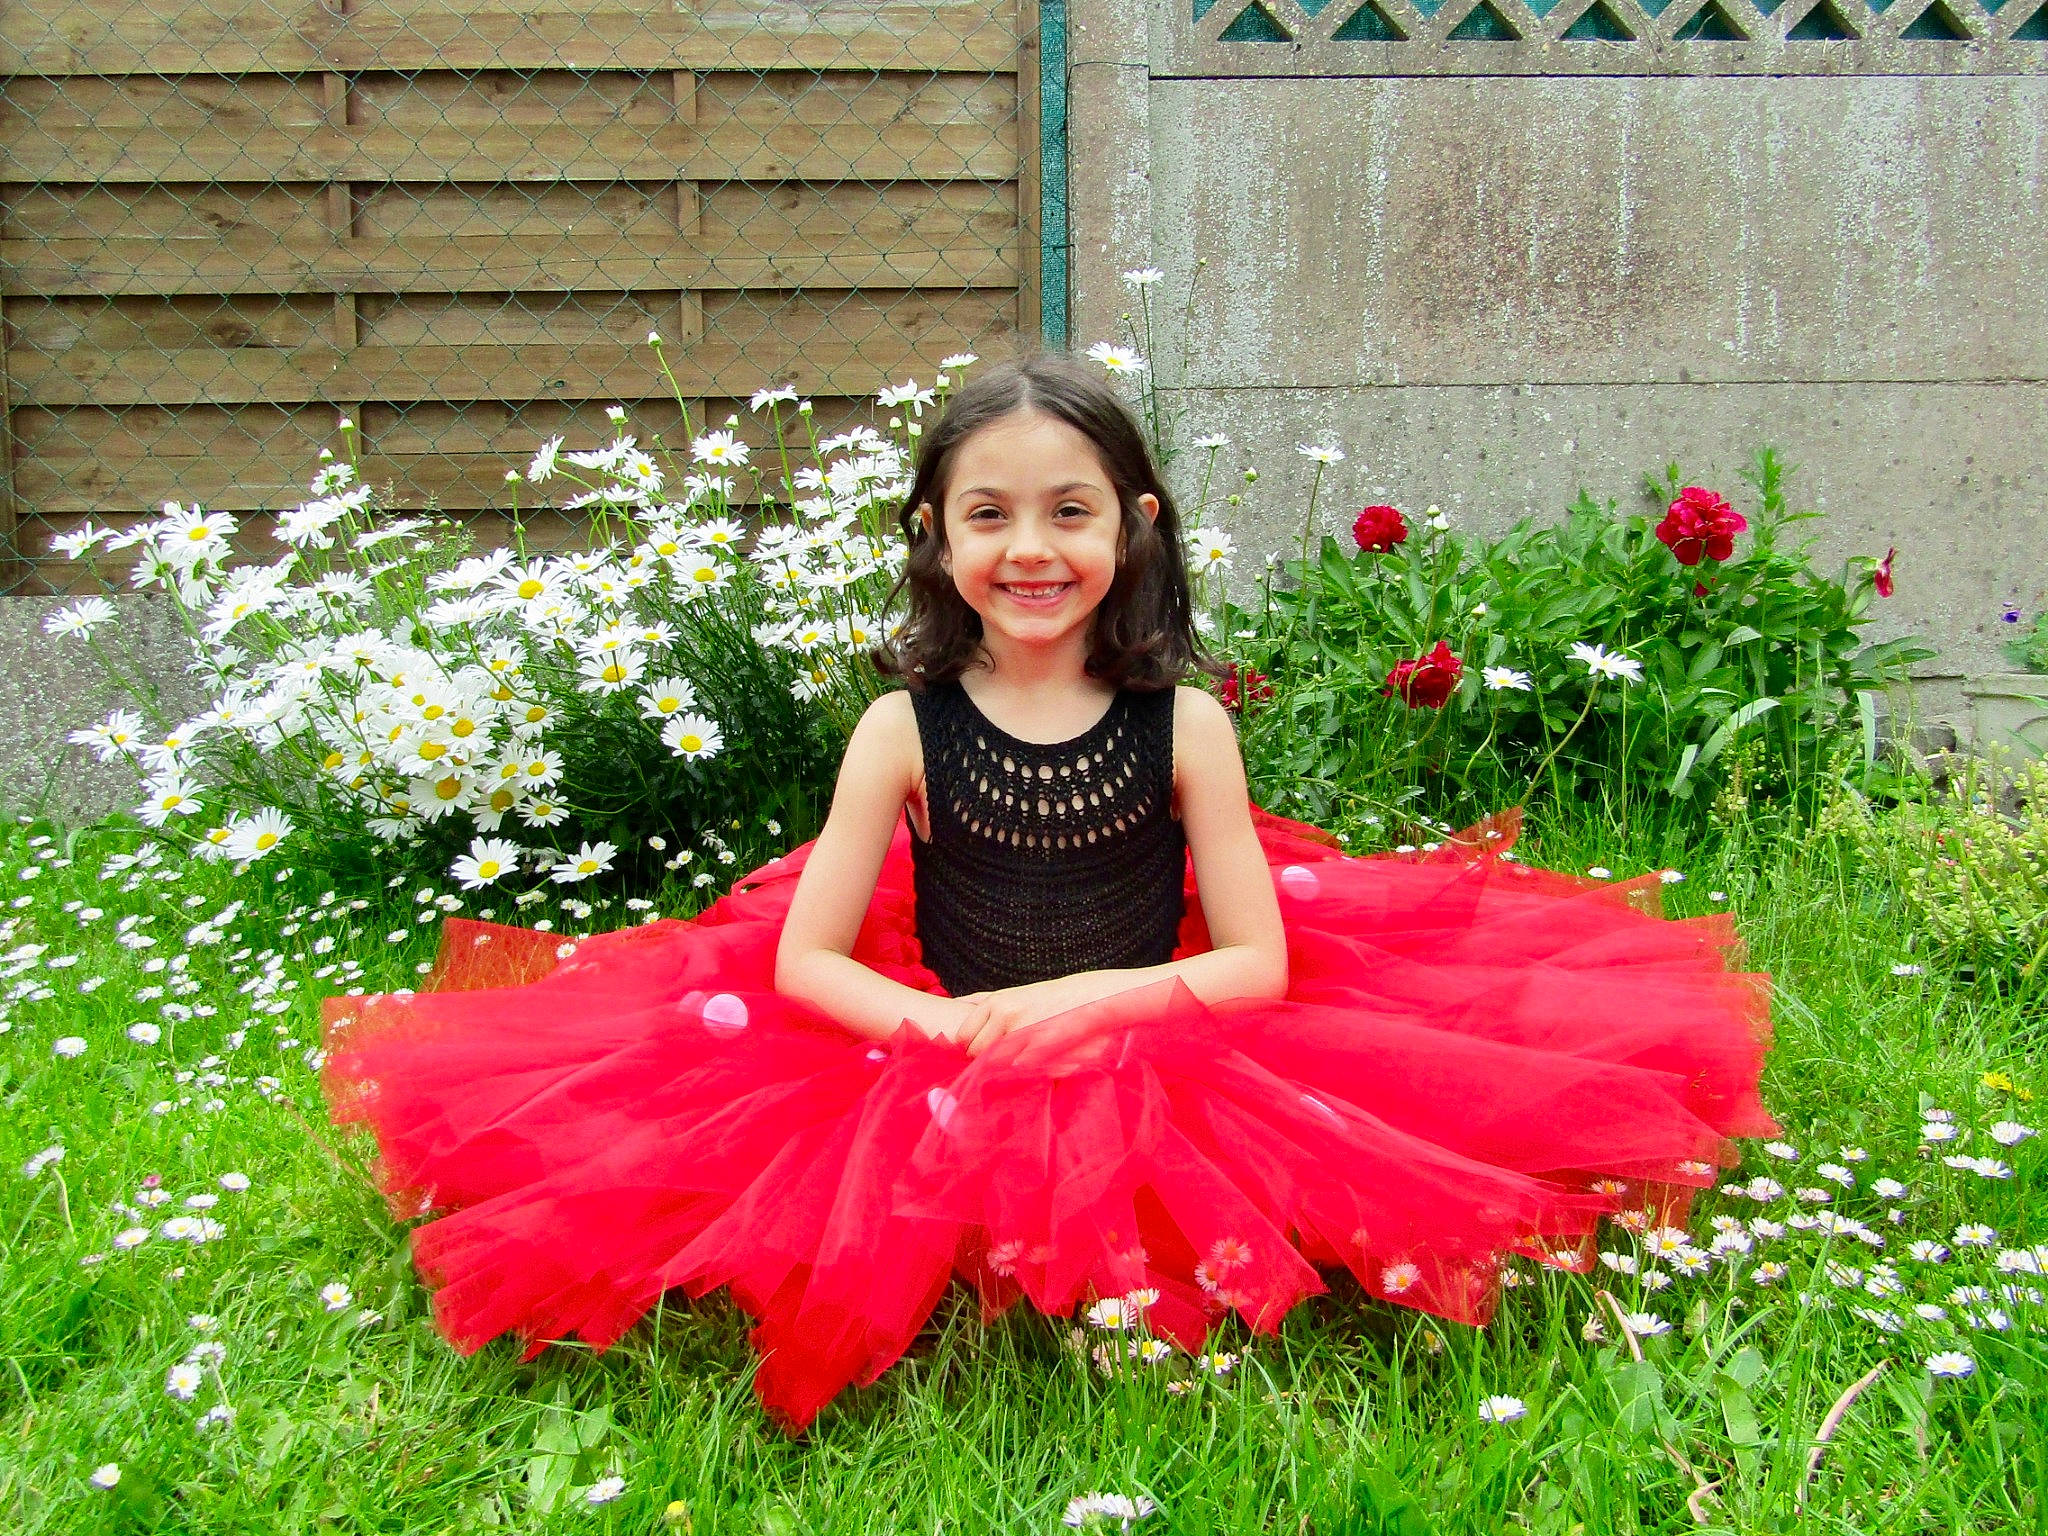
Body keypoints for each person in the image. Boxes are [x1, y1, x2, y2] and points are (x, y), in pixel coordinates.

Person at [320, 355, 1776, 1434]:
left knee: (1293, 1148)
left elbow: (1257, 962)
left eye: (1070, 512)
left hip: (1158, 1016)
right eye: (991, 515)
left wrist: (1089, 1002)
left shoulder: (1185, 725)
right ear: (938, 538)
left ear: (1132, 525)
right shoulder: (900, 728)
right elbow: (811, 964)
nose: (1032, 549)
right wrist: (941, 1032)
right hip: (937, 1030)